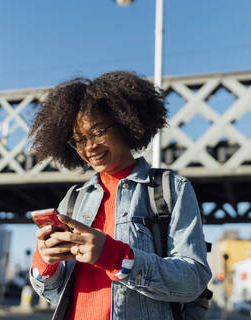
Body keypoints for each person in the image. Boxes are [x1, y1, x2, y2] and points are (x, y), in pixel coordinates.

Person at [28, 71, 212, 320]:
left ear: (125, 123)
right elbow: (54, 293)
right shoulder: (73, 199)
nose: (89, 147)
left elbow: (193, 280)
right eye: (79, 139)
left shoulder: (171, 189)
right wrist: (45, 261)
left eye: (98, 132)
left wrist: (114, 257)